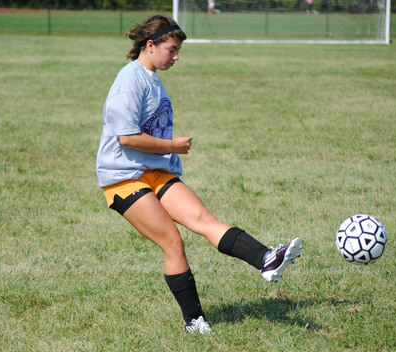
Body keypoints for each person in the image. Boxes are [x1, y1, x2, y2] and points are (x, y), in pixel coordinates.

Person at [96, 15, 303, 334]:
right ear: (151, 46)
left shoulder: (152, 79)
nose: (176, 57)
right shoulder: (130, 80)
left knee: (204, 220)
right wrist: (172, 145)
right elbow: (126, 137)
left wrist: (167, 152)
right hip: (124, 177)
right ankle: (194, 321)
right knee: (172, 241)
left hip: (156, 172)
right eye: (172, 50)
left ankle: (266, 259)